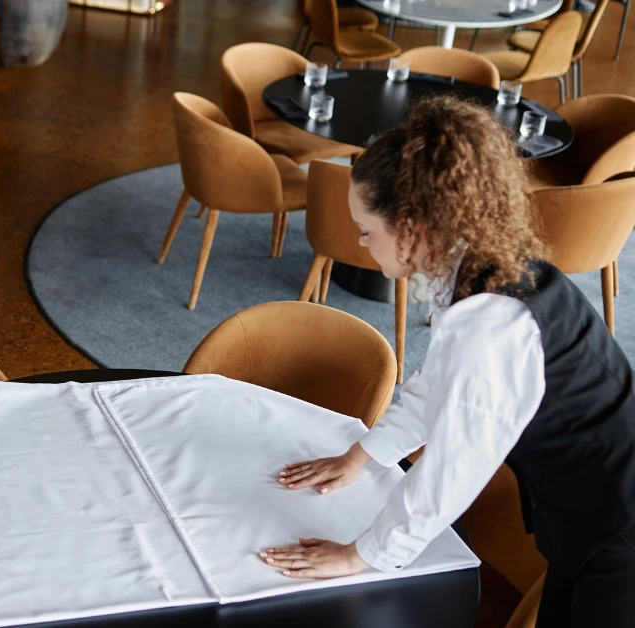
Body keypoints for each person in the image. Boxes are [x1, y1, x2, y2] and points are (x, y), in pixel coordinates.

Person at [259, 96, 635, 627]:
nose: (363, 245)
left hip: (618, 528)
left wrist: (360, 554)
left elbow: (453, 468)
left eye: (367, 230)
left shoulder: (491, 323)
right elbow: (438, 382)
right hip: (584, 512)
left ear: (413, 225)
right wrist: (364, 456)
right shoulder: (481, 264)